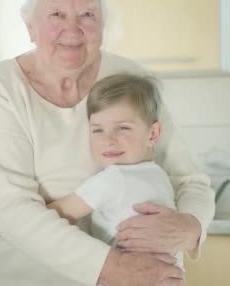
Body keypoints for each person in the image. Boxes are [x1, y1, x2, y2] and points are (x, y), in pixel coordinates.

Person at [0, 0, 214, 286]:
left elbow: (191, 181)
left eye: (88, 14)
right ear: (30, 25)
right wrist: (114, 268)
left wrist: (191, 226)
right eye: (56, 14)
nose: (73, 28)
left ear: (103, 25)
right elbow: (13, 210)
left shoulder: (130, 79)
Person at [45, 73, 183, 270]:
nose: (108, 140)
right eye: (97, 130)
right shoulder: (159, 176)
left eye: (122, 128)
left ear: (152, 134)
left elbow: (52, 215)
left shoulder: (114, 179)